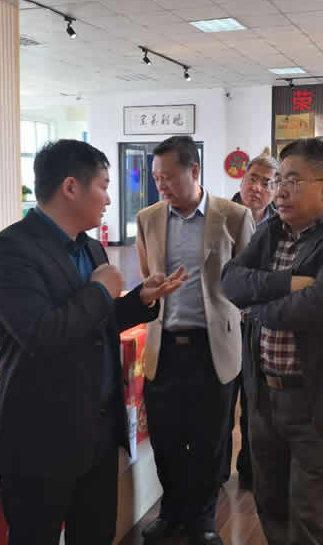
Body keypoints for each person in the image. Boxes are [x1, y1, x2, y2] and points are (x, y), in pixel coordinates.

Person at [0, 140, 186, 545]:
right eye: (104, 186)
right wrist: (100, 290)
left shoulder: (90, 247)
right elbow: (42, 334)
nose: (109, 199)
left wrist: (138, 300)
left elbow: (95, 324)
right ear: (71, 187)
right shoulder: (6, 252)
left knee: (94, 534)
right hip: (42, 436)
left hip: (98, 430)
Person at [222, 138, 323, 545]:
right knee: (270, 505)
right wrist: (289, 284)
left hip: (319, 400)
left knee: (312, 520)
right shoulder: (270, 231)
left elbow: (321, 308)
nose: (280, 191)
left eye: (292, 181)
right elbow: (231, 281)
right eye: (279, 181)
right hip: (264, 396)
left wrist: (257, 308)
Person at [136, 136, 254, 545]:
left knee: (210, 441)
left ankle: (204, 518)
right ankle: (171, 513)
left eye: (169, 177)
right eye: (156, 178)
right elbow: (147, 278)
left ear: (195, 171)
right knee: (165, 439)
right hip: (164, 347)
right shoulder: (148, 218)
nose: (162, 186)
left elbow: (248, 281)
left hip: (213, 348)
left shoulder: (234, 216)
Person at [223, 154, 277, 490]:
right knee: (222, 403)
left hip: (262, 325)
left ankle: (251, 470)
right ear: (242, 179)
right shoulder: (220, 216)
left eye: (266, 183)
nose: (256, 188)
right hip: (225, 324)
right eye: (252, 179)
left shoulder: (280, 223)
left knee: (257, 403)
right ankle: (217, 472)